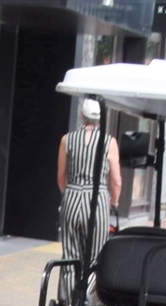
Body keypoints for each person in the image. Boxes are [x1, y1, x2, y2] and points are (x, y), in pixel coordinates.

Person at [57, 98, 118, 276]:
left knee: (70, 254)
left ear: (81, 116)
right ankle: (91, 300)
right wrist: (113, 202)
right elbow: (116, 180)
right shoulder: (109, 142)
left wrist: (70, 194)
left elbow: (61, 177)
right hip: (97, 198)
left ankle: (69, 300)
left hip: (72, 195)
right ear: (100, 118)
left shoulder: (67, 140)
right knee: (96, 256)